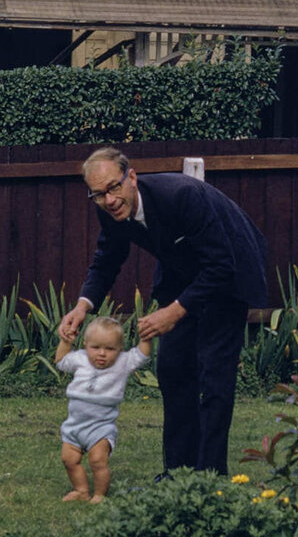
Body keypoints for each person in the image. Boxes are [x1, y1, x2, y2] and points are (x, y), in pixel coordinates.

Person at [58, 147, 268, 476]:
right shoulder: (109, 210)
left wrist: (174, 311)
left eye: (114, 187)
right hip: (182, 274)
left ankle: (209, 478)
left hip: (230, 269)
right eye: (99, 194)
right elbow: (107, 259)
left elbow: (220, 264)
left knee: (214, 377)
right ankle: (177, 475)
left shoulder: (181, 196)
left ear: (131, 177)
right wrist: (83, 306)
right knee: (173, 369)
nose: (109, 200)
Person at [53, 315, 151, 502]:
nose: (102, 353)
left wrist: (146, 337)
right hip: (74, 425)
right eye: (95, 347)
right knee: (68, 460)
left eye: (109, 349)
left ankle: (99, 494)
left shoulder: (123, 362)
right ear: (86, 344)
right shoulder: (80, 359)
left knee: (98, 461)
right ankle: (81, 491)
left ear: (120, 349)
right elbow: (61, 361)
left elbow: (142, 356)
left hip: (100, 427)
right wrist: (65, 341)